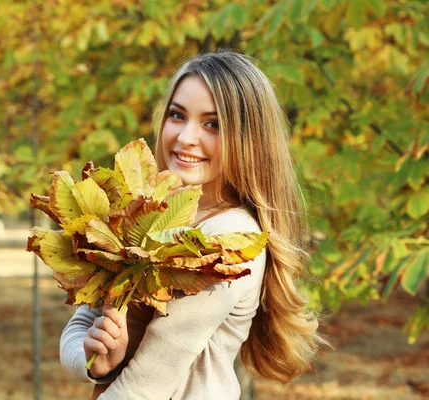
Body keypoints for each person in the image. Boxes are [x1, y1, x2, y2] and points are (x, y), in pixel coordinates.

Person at [59, 50, 324, 399]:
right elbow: (78, 327)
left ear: (249, 140)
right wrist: (96, 360)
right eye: (177, 115)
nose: (186, 137)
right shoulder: (145, 216)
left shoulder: (229, 242)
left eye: (212, 124)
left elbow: (147, 384)